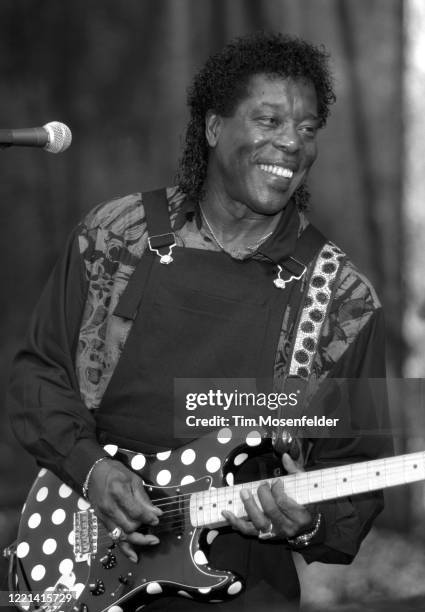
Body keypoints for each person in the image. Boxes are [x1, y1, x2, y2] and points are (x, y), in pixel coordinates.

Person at [7, 32, 392, 611]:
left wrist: (308, 521)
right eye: (269, 121)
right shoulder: (116, 236)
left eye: (309, 129)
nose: (292, 143)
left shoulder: (340, 297)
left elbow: (358, 470)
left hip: (242, 582)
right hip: (82, 546)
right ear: (214, 128)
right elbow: (39, 377)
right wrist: (91, 471)